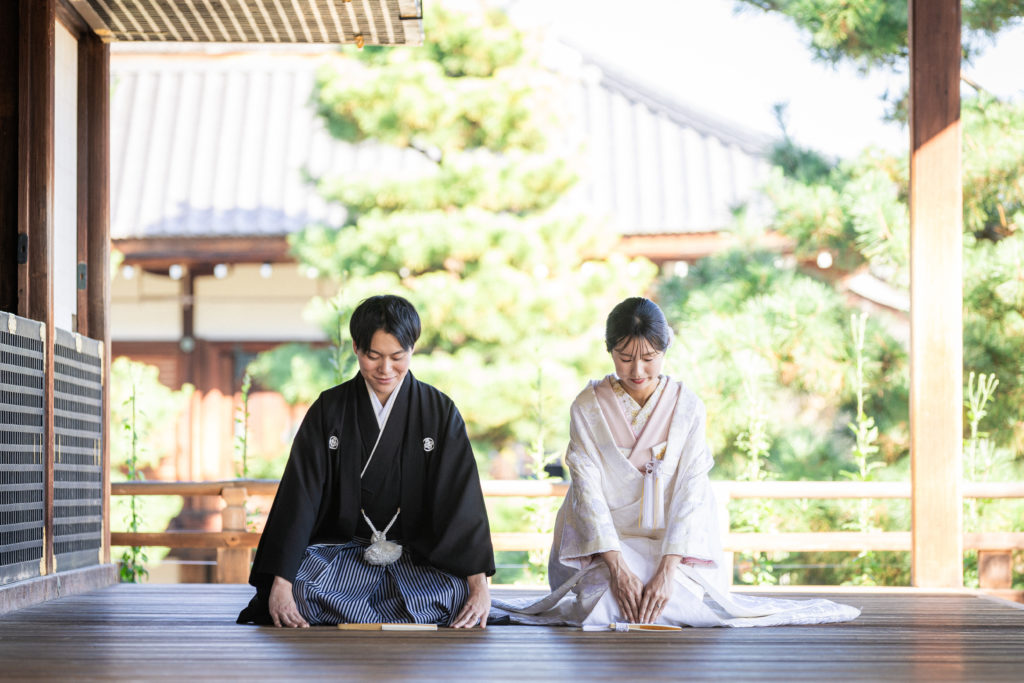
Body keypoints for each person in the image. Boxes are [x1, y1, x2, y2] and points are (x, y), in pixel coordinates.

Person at [491, 297, 859, 627]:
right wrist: (617, 568)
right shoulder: (586, 406)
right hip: (605, 545)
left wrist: (668, 569)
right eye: (625, 357)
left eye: (649, 358)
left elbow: (691, 491)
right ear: (609, 351)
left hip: (672, 544)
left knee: (677, 600)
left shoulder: (688, 407)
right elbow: (586, 492)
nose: (637, 371)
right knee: (602, 604)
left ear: (665, 350)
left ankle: (668, 577)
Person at [238, 295, 494, 628]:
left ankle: (364, 614)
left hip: (417, 557)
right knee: (299, 593)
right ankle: (392, 615)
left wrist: (480, 587)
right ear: (357, 348)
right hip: (344, 553)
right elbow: (299, 498)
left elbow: (462, 500)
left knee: (457, 595)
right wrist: (281, 584)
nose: (386, 369)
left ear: (412, 350)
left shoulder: (439, 411)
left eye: (397, 357)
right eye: (374, 356)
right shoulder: (330, 409)